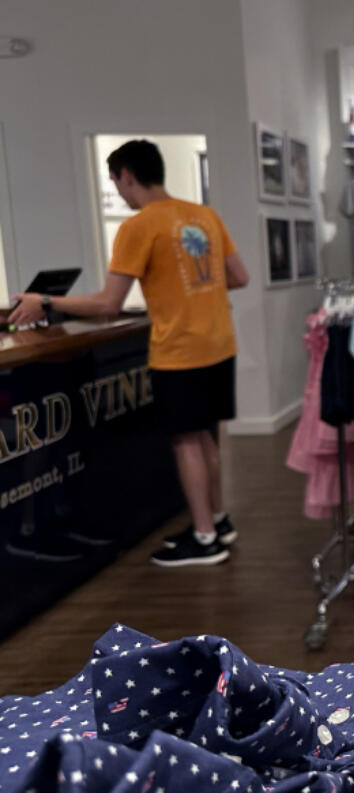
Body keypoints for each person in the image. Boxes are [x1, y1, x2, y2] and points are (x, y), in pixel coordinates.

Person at [8, 139, 250, 567]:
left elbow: (107, 304)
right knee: (205, 435)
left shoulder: (139, 226)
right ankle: (216, 519)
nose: (118, 191)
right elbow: (238, 277)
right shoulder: (204, 215)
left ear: (127, 176)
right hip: (218, 343)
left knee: (185, 440)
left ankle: (206, 538)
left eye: (115, 181)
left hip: (180, 351)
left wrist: (46, 301)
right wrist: (194, 293)